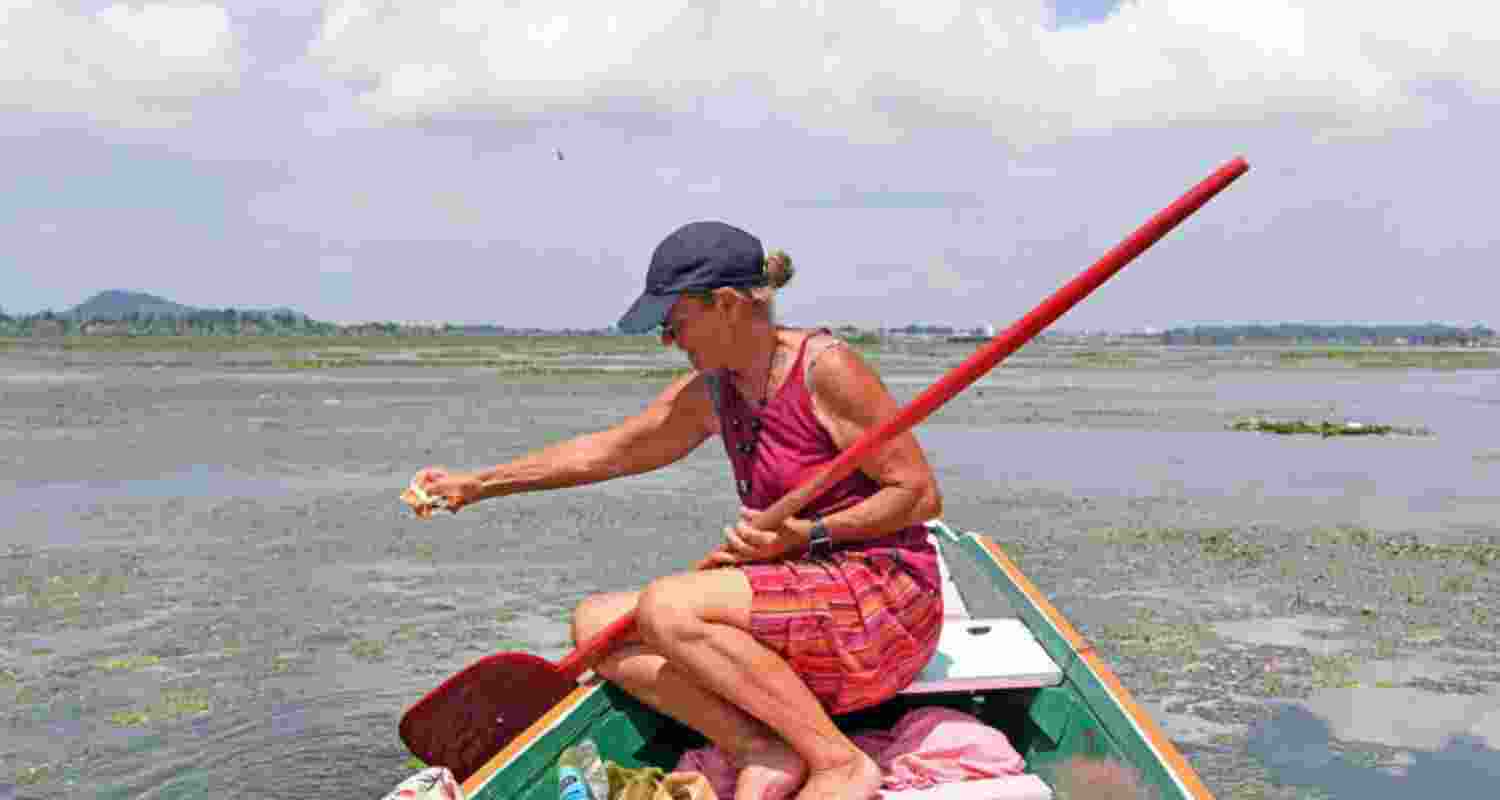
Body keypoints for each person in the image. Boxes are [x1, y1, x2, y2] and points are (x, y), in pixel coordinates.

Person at [412, 221, 944, 800]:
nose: (668, 341)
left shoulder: (827, 369)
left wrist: (809, 534)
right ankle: (761, 748)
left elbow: (918, 494)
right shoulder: (713, 389)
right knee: (597, 623)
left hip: (882, 600)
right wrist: (480, 483)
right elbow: (610, 451)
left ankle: (837, 761)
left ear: (727, 304)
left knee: (666, 606)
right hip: (799, 583)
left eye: (674, 323)